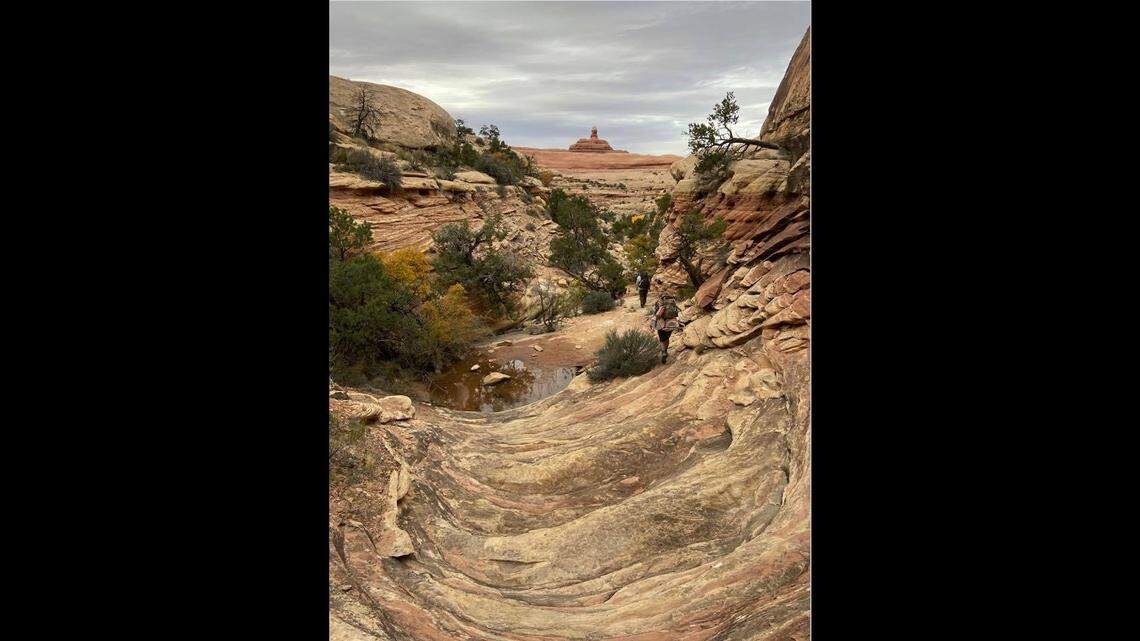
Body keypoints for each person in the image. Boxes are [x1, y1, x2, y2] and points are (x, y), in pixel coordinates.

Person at [653, 293, 680, 363]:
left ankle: (663, 352)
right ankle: (666, 350)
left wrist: (654, 323)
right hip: (671, 323)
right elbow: (677, 312)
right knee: (666, 338)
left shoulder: (659, 303)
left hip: (661, 323)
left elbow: (656, 314)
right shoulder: (672, 302)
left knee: (662, 339)